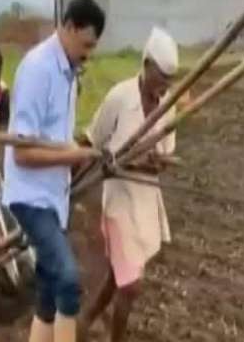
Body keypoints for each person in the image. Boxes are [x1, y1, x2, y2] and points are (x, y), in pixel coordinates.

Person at [2, 0, 106, 342]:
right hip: (31, 196)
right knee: (67, 279)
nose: (88, 53)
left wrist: (79, 153)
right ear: (69, 27)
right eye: (86, 44)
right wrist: (73, 157)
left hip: (53, 196)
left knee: (48, 291)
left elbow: (56, 136)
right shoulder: (38, 69)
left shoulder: (68, 72)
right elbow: (22, 153)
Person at [78, 27, 179, 342]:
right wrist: (71, 170)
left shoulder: (168, 103)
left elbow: (167, 152)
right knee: (130, 285)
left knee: (117, 278)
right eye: (161, 77)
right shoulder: (120, 97)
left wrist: (159, 161)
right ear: (146, 64)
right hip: (119, 201)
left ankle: (82, 324)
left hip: (146, 197)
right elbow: (92, 138)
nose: (164, 86)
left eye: (169, 80)